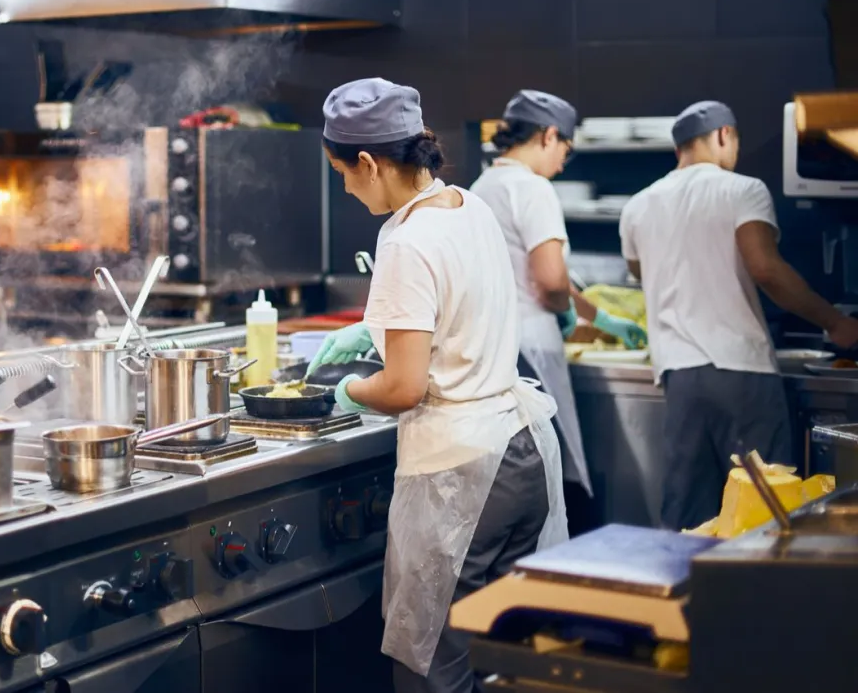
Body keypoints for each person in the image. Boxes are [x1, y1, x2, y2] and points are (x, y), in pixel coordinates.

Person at [308, 78, 568, 693]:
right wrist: (370, 335)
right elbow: (456, 315)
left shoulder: (404, 241)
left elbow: (402, 388)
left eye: (342, 172)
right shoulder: (466, 205)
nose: (344, 187)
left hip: (464, 478)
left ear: (369, 162)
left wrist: (347, 392)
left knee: (434, 667)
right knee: (505, 661)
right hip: (522, 449)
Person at [620, 100, 858, 531]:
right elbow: (766, 268)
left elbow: (640, 271)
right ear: (724, 135)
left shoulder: (638, 205)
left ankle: (680, 593)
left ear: (679, 148)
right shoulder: (742, 189)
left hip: (679, 374)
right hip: (741, 371)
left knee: (689, 514)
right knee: (766, 504)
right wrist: (836, 322)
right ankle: (760, 595)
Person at [470, 90, 647, 535]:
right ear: (549, 135)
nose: (564, 161)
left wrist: (597, 315)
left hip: (491, 345)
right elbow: (549, 282)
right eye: (566, 148)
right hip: (533, 345)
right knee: (553, 464)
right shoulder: (533, 188)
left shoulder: (480, 187)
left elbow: (537, 274)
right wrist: (564, 313)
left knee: (513, 468)